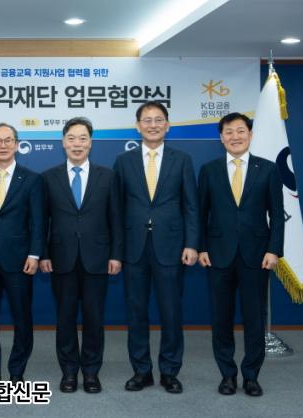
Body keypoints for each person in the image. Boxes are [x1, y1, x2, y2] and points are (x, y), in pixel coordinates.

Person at [113, 101, 198, 394]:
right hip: (134, 248)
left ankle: (170, 371)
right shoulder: (123, 161)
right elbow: (116, 210)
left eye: (158, 120)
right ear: (137, 126)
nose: (152, 125)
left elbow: (191, 206)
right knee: (136, 311)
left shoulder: (182, 160)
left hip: (171, 247)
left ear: (168, 125)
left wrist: (192, 244)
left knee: (171, 311)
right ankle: (141, 371)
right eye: (147, 120)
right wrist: (117, 250)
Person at [198, 112, 284, 397]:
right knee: (221, 318)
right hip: (218, 255)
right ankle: (227, 375)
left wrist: (274, 250)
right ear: (221, 138)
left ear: (250, 135)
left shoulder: (268, 169)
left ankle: (251, 376)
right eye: (229, 132)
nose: (235, 137)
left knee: (254, 318)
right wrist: (201, 247)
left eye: (240, 131)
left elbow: (277, 215)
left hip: (257, 256)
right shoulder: (209, 170)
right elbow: (200, 214)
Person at [40, 117, 123, 394]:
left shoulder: (107, 176)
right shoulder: (48, 177)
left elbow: (116, 219)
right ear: (63, 142)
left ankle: (90, 372)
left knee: (93, 318)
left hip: (97, 257)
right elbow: (41, 220)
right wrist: (43, 254)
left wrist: (116, 255)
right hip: (60, 258)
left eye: (83, 138)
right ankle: (68, 371)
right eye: (71, 138)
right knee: (65, 318)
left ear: (91, 142)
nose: (77, 144)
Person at [0, 123, 44, 384]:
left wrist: (35, 254)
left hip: (20, 260)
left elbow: (38, 221)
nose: (3, 145)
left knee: (22, 318)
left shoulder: (33, 179)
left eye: (8, 140)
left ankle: (17, 372)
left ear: (16, 144)